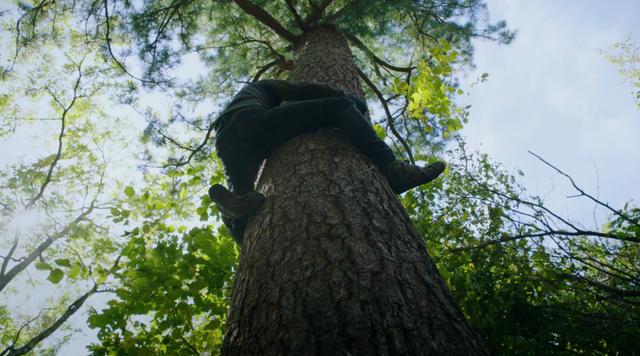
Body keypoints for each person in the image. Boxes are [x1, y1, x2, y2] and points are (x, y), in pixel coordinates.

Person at [209, 79, 445, 244]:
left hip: (226, 140)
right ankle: (393, 170)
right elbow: (302, 90)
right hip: (251, 120)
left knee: (241, 199)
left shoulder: (243, 101)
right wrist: (348, 98)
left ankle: (239, 228)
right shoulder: (260, 88)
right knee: (339, 108)